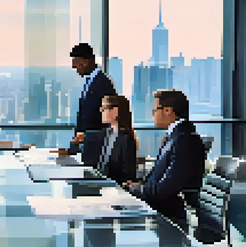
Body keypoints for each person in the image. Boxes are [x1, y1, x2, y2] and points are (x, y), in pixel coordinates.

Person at [122, 90, 205, 224]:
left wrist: (134, 189)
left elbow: (166, 190)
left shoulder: (184, 140)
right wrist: (138, 186)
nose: (152, 114)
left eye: (155, 109)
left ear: (167, 110)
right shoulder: (176, 137)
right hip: (162, 208)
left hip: (170, 216)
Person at [53, 44, 117, 158]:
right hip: (86, 145)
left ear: (85, 62)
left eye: (76, 62)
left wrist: (87, 137)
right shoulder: (91, 82)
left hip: (96, 148)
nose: (73, 67)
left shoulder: (103, 83)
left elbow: (107, 121)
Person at [97, 95, 138, 185]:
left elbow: (128, 175)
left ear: (116, 110)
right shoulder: (108, 133)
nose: (101, 111)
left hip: (116, 190)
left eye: (105, 108)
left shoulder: (126, 139)